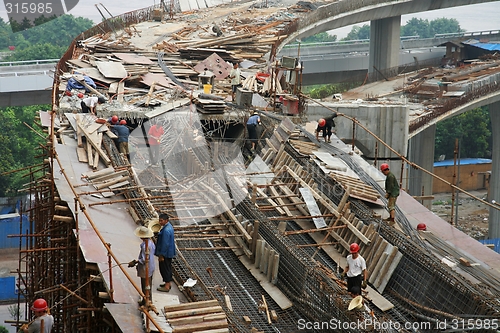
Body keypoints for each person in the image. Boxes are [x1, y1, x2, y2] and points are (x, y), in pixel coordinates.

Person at [128, 226, 156, 304]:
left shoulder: (145, 246)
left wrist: (136, 262)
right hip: (151, 266)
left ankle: (147, 301)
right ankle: (146, 300)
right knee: (148, 285)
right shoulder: (151, 243)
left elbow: (144, 259)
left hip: (146, 268)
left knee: (145, 285)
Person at [155, 213, 176, 292]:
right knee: (168, 267)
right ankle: (168, 283)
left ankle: (167, 286)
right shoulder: (168, 227)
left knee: (164, 269)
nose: (160, 222)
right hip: (169, 252)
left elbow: (165, 244)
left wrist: (161, 255)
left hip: (166, 253)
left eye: (161, 221)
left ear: (166, 220)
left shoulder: (166, 230)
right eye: (159, 220)